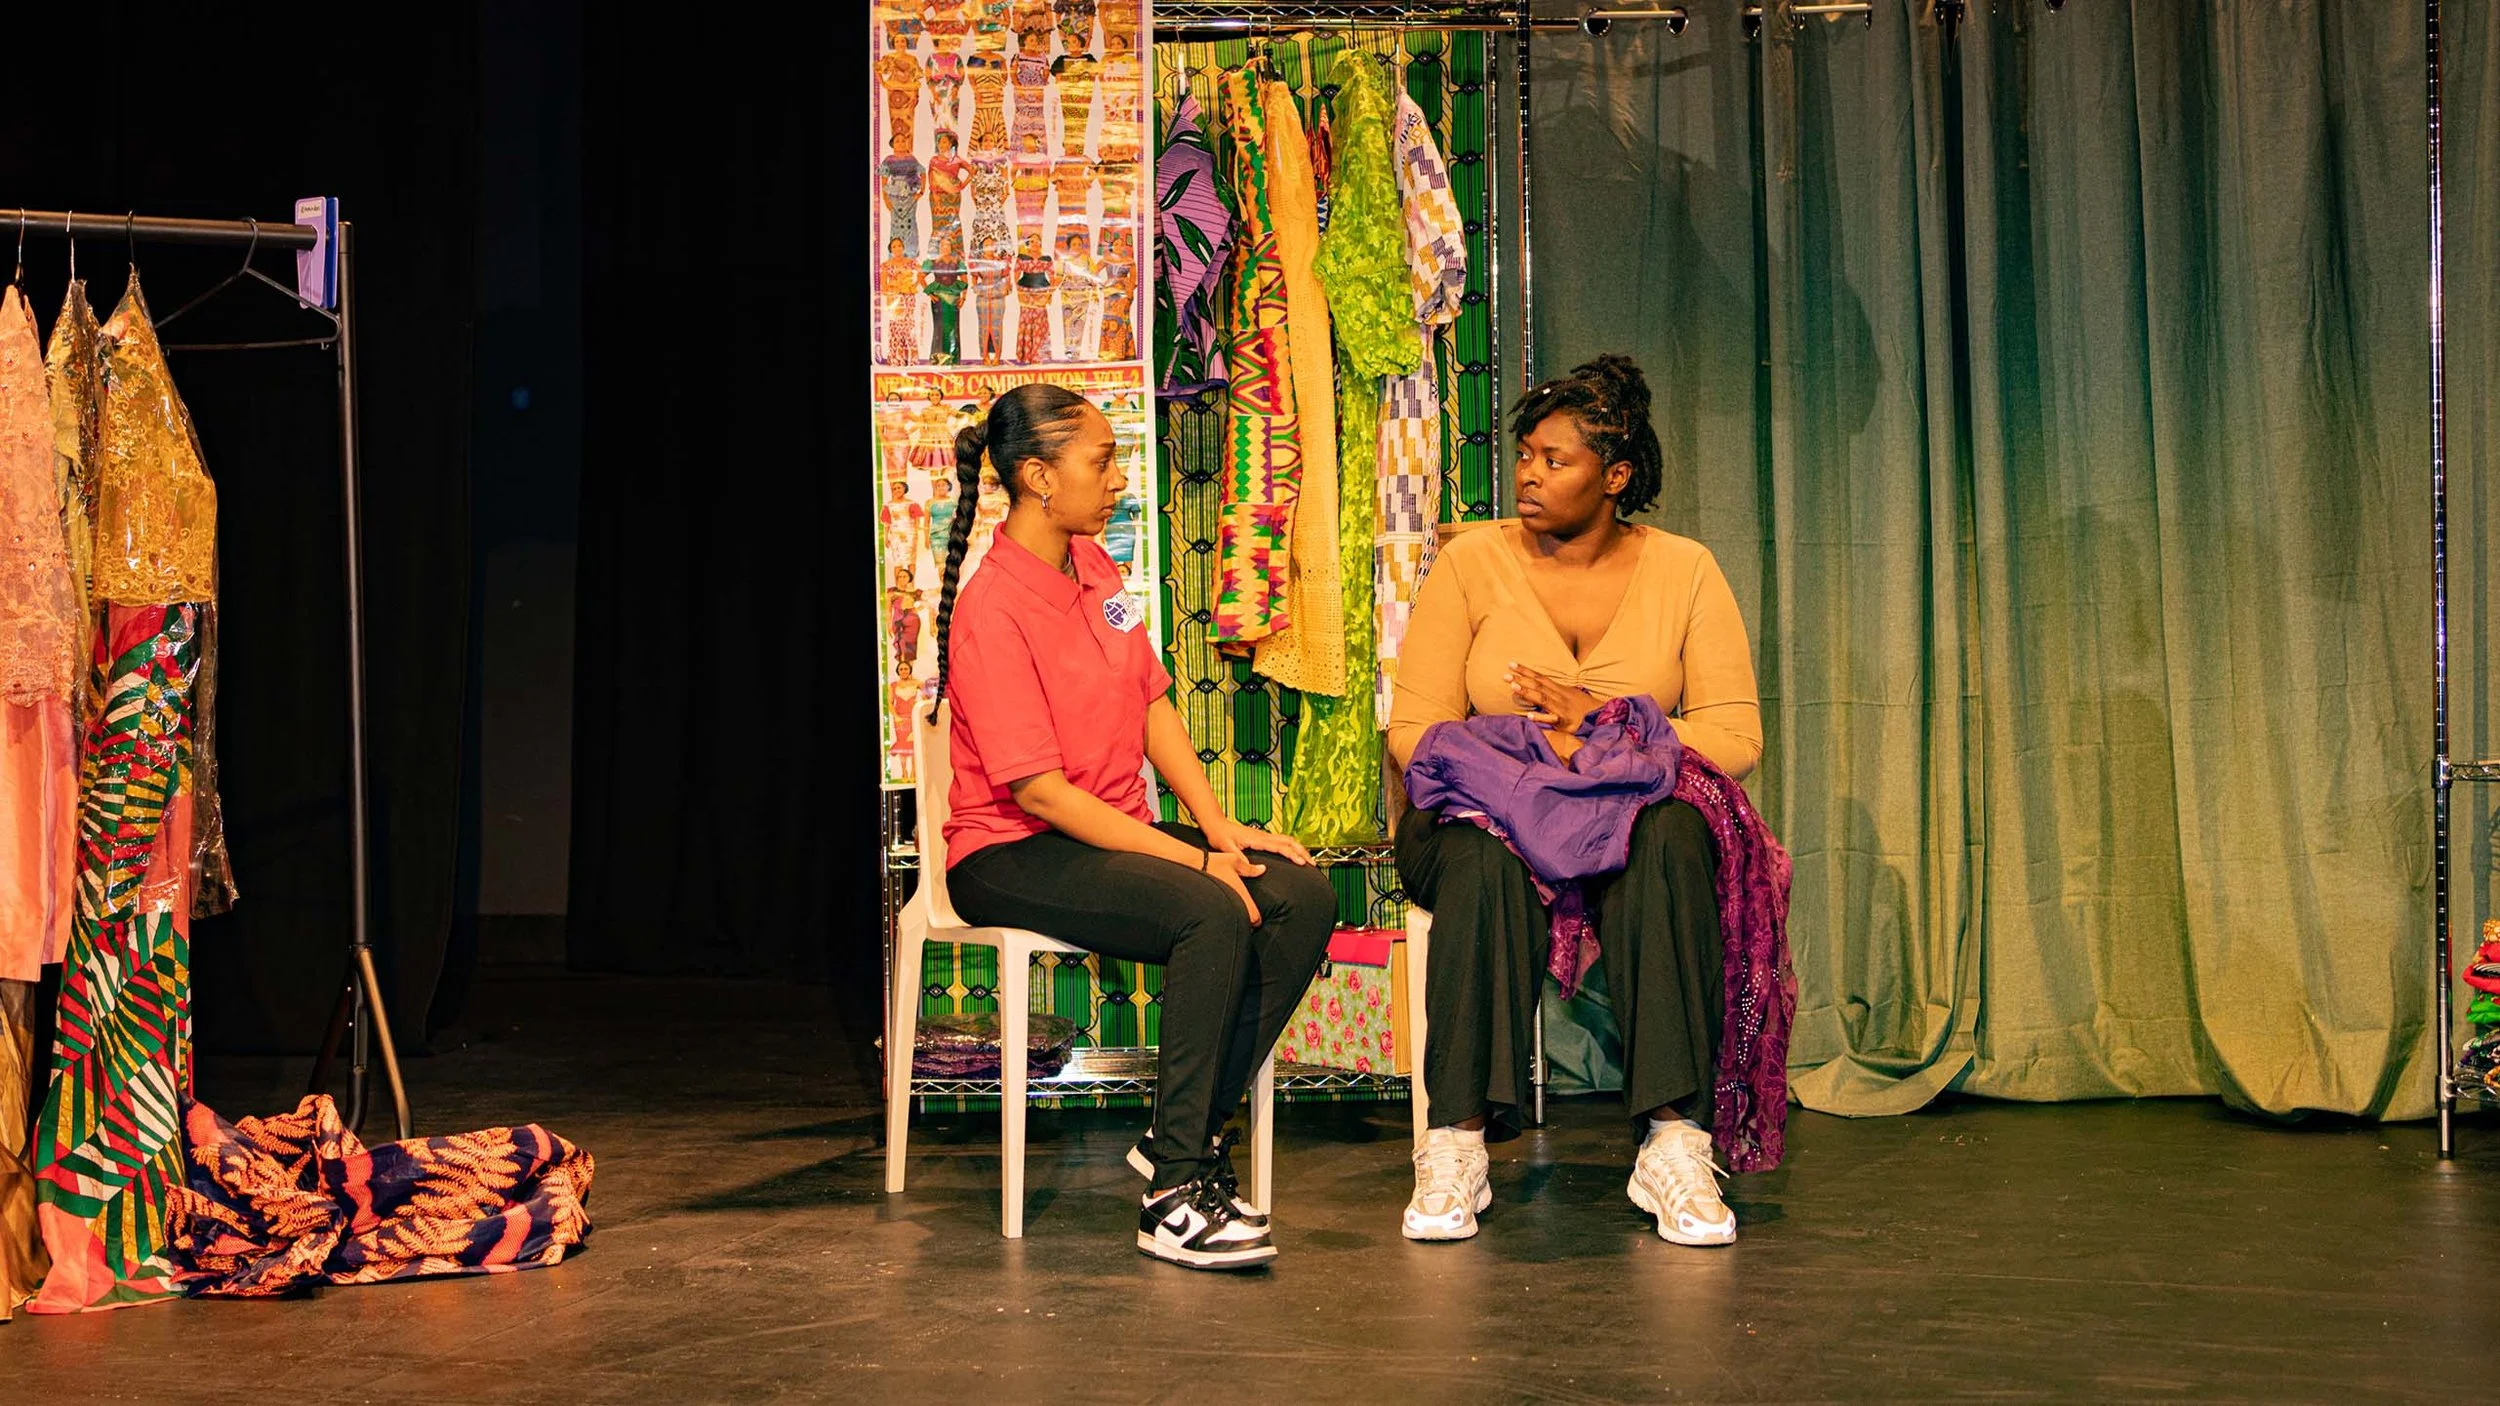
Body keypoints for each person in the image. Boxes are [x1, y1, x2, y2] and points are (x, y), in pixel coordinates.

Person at [931, 383, 1334, 1271]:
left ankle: (1173, 1136)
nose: (1117, 479)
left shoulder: (1098, 568)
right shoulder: (990, 609)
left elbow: (1149, 701)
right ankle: (1175, 1194)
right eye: (1101, 461)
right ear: (1039, 477)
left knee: (1300, 896)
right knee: (1211, 909)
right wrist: (1195, 866)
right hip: (1010, 850)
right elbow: (1039, 793)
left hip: (1105, 832)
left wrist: (1219, 829)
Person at [1387, 354, 1764, 1247]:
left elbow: (1736, 735)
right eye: (1525, 455)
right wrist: (1536, 770)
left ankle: (1674, 1139)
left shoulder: (1686, 570)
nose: (1527, 473)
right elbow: (1415, 731)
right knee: (1482, 857)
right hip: (1483, 813)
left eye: (1555, 460)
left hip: (1625, 817)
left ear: (1617, 475)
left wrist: (1598, 722)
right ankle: (1459, 1140)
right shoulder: (1473, 562)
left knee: (1672, 834)